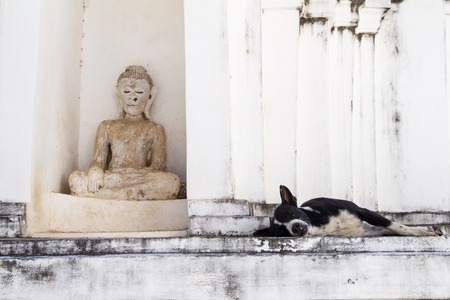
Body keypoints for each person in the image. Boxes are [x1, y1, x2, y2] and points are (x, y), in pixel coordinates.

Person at [69, 65, 180, 200]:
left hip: (139, 178)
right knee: (75, 179)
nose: (132, 98)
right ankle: (132, 195)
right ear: (118, 96)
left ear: (150, 96)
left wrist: (136, 174)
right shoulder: (107, 126)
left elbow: (158, 165)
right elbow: (98, 161)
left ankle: (111, 195)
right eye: (127, 91)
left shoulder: (155, 129)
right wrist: (95, 171)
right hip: (113, 177)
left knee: (171, 182)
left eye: (139, 92)